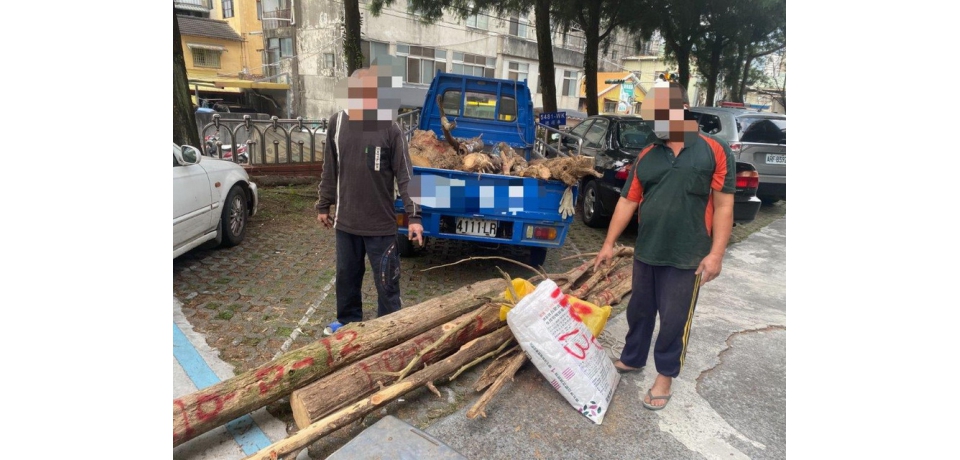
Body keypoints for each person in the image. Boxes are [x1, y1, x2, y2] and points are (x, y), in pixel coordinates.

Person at [592, 79, 735, 410]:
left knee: (674, 319)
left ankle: (665, 376)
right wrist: (608, 243)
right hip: (648, 249)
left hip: (688, 255)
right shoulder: (648, 154)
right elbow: (628, 200)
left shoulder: (714, 149)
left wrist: (716, 254)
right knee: (639, 310)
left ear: (682, 109)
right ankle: (633, 358)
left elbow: (724, 205)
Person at [316, 59, 424, 336]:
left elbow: (406, 175)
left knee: (387, 280)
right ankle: (347, 321)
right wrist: (323, 204)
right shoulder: (337, 123)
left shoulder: (390, 128)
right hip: (346, 222)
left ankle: (388, 328)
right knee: (347, 276)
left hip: (381, 226)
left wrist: (414, 216)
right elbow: (330, 167)